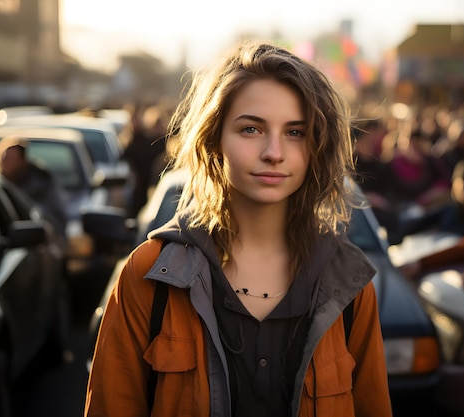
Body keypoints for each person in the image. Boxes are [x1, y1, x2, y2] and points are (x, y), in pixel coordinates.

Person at [85, 41, 392, 417]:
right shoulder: (148, 277)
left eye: (295, 132)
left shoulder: (347, 284)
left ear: (316, 146)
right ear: (215, 140)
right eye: (251, 129)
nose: (274, 152)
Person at [0, 135, 68, 234]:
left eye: (11, 158)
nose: (5, 163)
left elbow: (53, 217)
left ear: (22, 161)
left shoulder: (41, 182)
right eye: (4, 158)